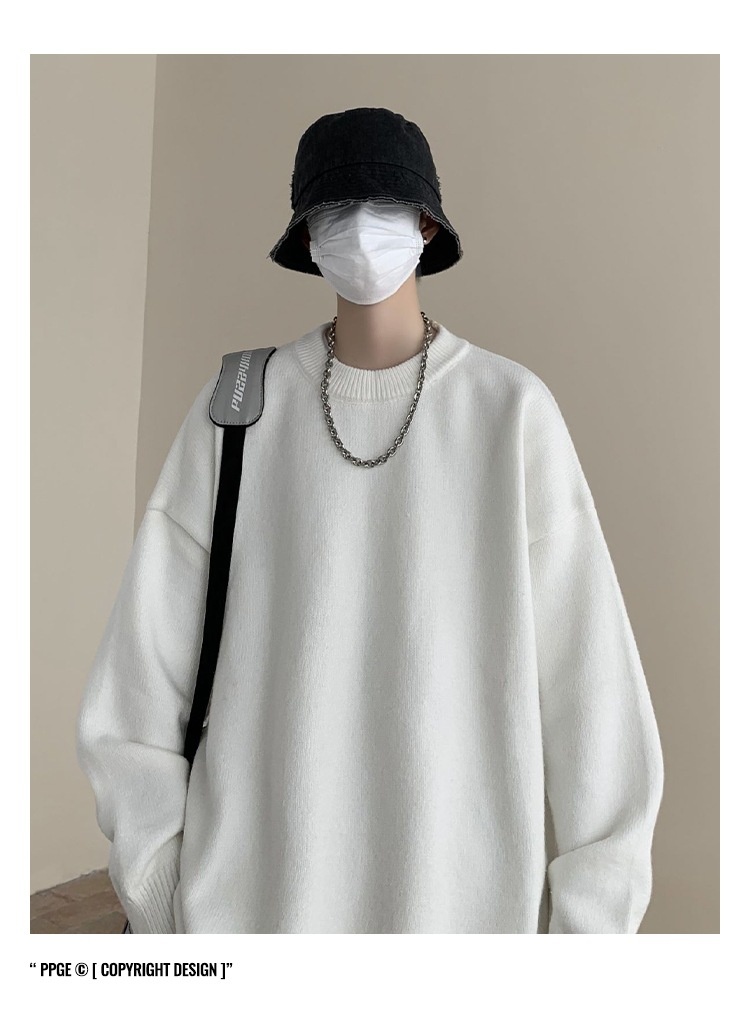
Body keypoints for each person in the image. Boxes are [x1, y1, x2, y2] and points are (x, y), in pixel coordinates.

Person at [76, 106, 665, 934]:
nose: (356, 228)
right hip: (247, 914)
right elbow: (137, 684)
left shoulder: (510, 412)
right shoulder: (238, 410)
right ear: (307, 237)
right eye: (333, 209)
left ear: (426, 225)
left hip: (459, 922)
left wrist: (589, 934)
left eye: (381, 205)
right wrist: (161, 893)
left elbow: (595, 696)